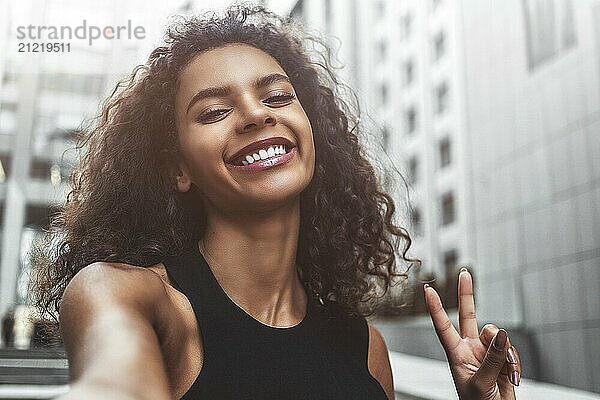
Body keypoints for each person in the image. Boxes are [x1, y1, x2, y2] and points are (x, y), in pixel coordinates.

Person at [31, 5, 521, 399]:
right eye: (216, 111)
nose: (254, 115)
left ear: (313, 134)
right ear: (176, 169)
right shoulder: (126, 296)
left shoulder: (365, 348)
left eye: (278, 97)